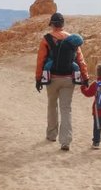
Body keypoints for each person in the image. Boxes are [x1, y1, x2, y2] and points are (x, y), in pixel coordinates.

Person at [35, 12, 89, 151]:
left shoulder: (46, 39)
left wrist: (38, 79)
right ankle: (65, 141)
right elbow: (80, 60)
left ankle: (52, 135)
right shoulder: (72, 39)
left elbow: (41, 60)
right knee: (66, 109)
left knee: (52, 106)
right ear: (63, 24)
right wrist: (85, 77)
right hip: (68, 79)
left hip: (52, 78)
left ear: (52, 25)